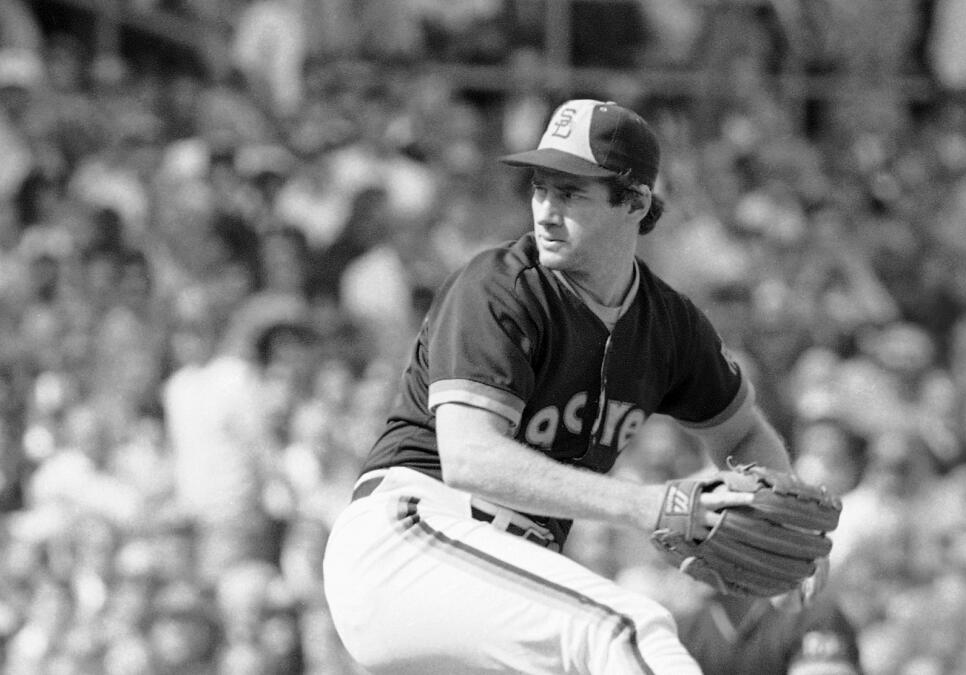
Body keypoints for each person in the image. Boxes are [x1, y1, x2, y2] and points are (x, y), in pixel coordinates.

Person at [322, 99, 798, 674]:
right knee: (627, 631)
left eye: (571, 193)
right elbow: (471, 458)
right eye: (540, 188)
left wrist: (773, 522)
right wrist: (647, 504)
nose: (545, 210)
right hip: (412, 540)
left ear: (636, 202)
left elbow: (744, 433)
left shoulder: (670, 326)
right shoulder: (500, 287)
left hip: (498, 582)